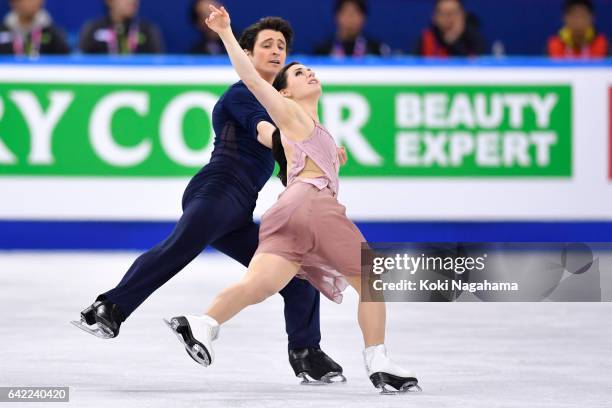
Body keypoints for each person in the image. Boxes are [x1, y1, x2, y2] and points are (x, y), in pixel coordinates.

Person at [72, 15, 346, 385]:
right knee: (180, 246)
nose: (276, 51)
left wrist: (319, 158)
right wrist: (308, 146)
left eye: (281, 46)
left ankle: (306, 353)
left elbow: (293, 171)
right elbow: (266, 134)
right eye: (267, 44)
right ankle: (110, 307)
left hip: (238, 209)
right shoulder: (243, 94)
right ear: (246, 54)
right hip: (217, 189)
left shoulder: (287, 109)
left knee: (298, 276)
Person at [165, 5, 421, 394]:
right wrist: (225, 33)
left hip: (286, 213)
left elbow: (300, 159)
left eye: (308, 68)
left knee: (259, 285)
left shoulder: (310, 130)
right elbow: (250, 77)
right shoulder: (290, 115)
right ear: (284, 91)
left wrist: (332, 155)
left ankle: (203, 323)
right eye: (299, 72)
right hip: (312, 206)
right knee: (372, 280)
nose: (308, 72)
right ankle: (379, 361)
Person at [79, 0, 164, 54]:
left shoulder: (148, 31)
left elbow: (159, 67)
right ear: (109, 1)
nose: (132, 1)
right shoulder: (92, 30)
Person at [313, 0, 390, 57]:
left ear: (363, 18)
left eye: (356, 12)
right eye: (346, 12)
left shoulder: (376, 50)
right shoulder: (322, 51)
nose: (351, 17)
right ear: (336, 16)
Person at [416, 0, 485, 57]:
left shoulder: (474, 38)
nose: (449, 19)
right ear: (434, 17)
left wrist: (454, 42)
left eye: (453, 13)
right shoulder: (426, 38)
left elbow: (475, 67)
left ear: (463, 15)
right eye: (444, 14)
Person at [0, 0, 70, 56]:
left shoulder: (52, 34)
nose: (32, 3)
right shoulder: (3, 31)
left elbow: (65, 61)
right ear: (13, 2)